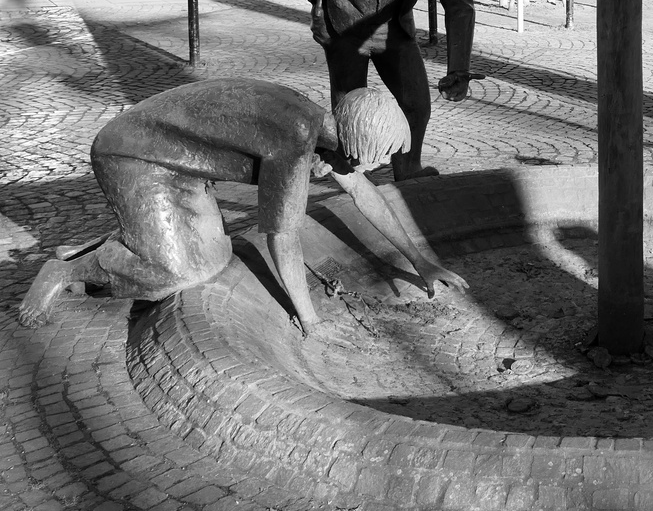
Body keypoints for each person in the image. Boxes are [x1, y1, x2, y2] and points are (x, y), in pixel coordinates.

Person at [17, 79, 467, 332]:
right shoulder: (295, 141)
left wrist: (422, 262)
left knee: (214, 258)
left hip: (180, 165)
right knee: (173, 273)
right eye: (382, 156)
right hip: (134, 155)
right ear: (357, 145)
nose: (383, 165)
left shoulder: (326, 129)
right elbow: (283, 238)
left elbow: (364, 193)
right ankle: (63, 272)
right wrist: (308, 316)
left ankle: (112, 248)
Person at [304, 0, 476, 181]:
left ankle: (408, 168)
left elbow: (458, 1)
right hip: (347, 28)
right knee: (350, 109)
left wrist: (459, 68)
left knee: (416, 103)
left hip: (393, 29)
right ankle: (348, 171)